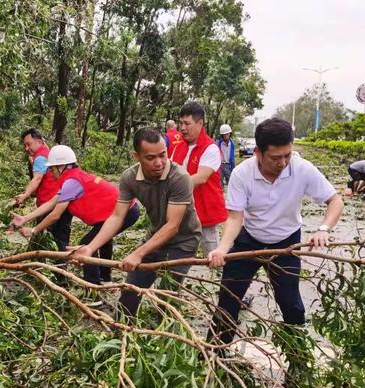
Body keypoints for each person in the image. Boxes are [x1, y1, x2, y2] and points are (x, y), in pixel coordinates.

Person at [208, 118, 344, 346]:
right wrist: (222, 248)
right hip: (248, 240)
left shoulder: (301, 169)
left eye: (287, 155)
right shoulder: (242, 174)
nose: (282, 163)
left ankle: (298, 359)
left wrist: (323, 229)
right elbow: (235, 217)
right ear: (258, 152)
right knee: (228, 300)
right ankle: (213, 356)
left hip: (285, 244)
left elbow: (335, 201)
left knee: (291, 303)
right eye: (275, 157)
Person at [74, 127, 201, 317]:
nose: (159, 163)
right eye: (150, 158)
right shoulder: (129, 178)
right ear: (136, 156)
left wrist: (138, 254)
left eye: (162, 155)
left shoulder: (180, 178)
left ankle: (165, 336)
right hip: (155, 236)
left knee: (166, 296)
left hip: (183, 241)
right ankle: (123, 331)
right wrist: (91, 247)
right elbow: (117, 217)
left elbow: (173, 225)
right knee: (130, 292)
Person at [12, 145, 139, 284]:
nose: (51, 173)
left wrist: (34, 230)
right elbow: (50, 203)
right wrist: (25, 218)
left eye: (52, 169)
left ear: (62, 167)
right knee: (102, 239)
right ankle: (105, 278)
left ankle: (93, 284)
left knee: (86, 243)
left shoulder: (72, 182)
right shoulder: (72, 178)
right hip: (115, 213)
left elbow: (55, 215)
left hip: (126, 212)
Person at [169, 102, 228, 256]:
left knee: (213, 254)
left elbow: (201, 178)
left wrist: (172, 187)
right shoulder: (178, 147)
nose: (182, 128)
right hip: (182, 212)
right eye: (181, 123)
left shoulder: (210, 148)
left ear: (200, 123)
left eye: (187, 123)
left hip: (204, 211)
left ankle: (221, 279)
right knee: (177, 255)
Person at [15, 128, 71, 250]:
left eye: (29, 144)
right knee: (60, 239)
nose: (26, 148)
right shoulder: (48, 152)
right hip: (61, 202)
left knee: (39, 240)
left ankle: (38, 264)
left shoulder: (40, 158)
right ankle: (59, 265)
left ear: (39, 141)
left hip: (49, 204)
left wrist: (25, 195)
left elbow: (37, 179)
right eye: (25, 145)